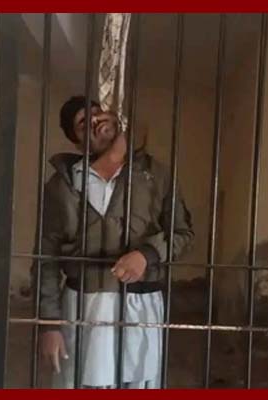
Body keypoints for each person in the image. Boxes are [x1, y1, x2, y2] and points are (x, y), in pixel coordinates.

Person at [35, 95, 194, 389]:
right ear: (76, 142)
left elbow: (182, 233)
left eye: (98, 115)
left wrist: (147, 254)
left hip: (141, 304)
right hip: (83, 305)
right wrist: (49, 324)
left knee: (138, 382)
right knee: (83, 381)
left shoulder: (153, 175)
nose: (95, 123)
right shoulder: (63, 185)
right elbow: (46, 258)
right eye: (84, 123)